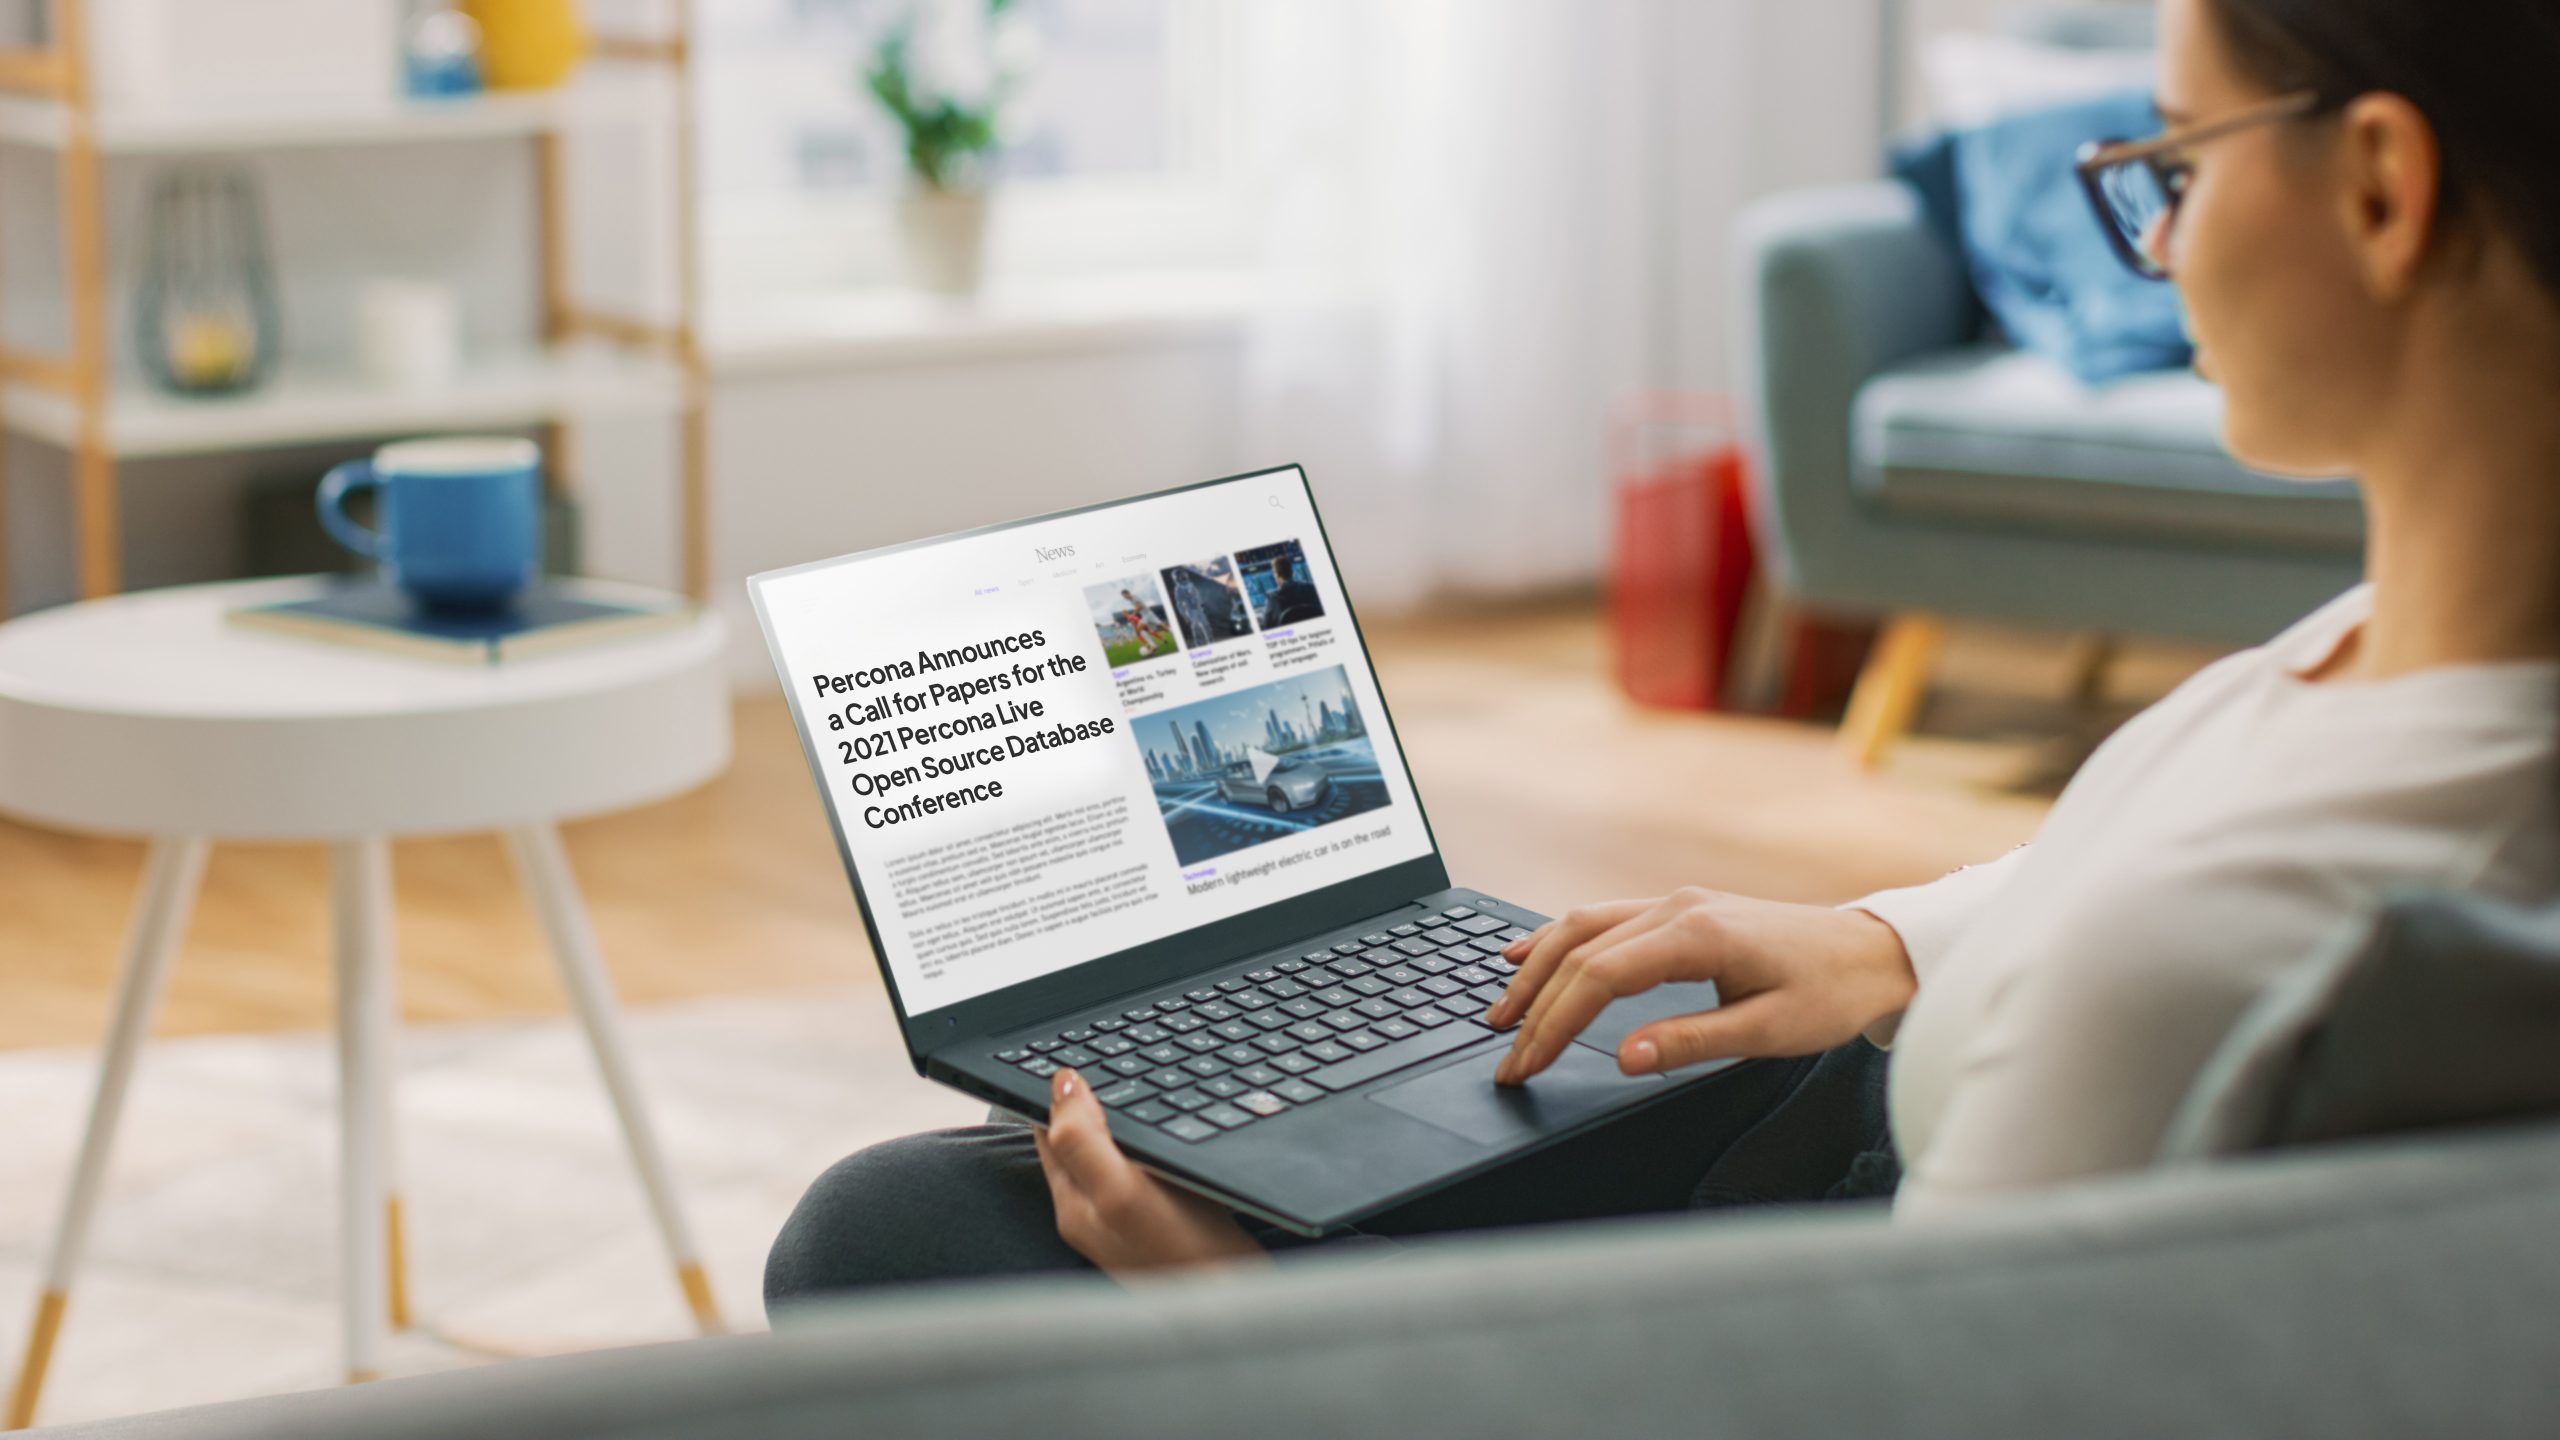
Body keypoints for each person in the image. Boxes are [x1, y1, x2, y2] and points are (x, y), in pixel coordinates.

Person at [763, 0, 2560, 1301]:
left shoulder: (2230, 961)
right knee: (981, 1198)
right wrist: (1879, 940)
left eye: (2170, 161)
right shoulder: (2415, 659)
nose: (2152, 238)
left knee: (886, 1244)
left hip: (1822, 1248)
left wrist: (1248, 1333)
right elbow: (2153, 858)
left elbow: (1863, 1403)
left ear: (2385, 189)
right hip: (1864, 1099)